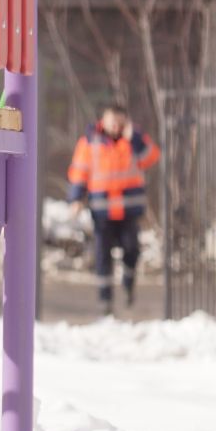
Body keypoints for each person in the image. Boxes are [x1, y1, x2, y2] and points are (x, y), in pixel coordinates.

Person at [68, 102, 162, 313]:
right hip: (102, 211)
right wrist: (75, 198)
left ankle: (128, 282)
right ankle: (105, 300)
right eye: (112, 121)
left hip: (129, 211)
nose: (116, 127)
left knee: (132, 250)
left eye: (120, 123)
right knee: (103, 256)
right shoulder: (90, 142)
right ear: (104, 120)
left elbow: (152, 157)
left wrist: (134, 138)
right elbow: (79, 172)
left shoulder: (134, 141)